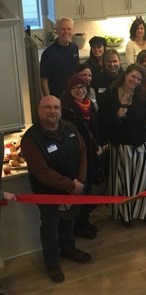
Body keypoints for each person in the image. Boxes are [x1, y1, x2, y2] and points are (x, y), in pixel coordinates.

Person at [21, 96, 91, 283]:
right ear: (39, 110)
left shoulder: (70, 128)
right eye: (47, 107)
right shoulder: (31, 139)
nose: (52, 111)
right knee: (50, 229)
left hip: (75, 189)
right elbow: (42, 172)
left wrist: (80, 182)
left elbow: (83, 152)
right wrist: (71, 186)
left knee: (69, 222)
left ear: (61, 110)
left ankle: (68, 250)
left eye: (56, 107)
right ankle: (52, 263)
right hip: (48, 194)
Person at [99, 64, 146, 228]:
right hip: (120, 146)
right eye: (133, 77)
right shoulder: (109, 94)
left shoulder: (142, 95)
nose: (135, 81)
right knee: (123, 182)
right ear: (125, 74)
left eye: (139, 79)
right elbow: (103, 123)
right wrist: (116, 116)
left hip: (139, 144)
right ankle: (126, 213)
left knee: (143, 181)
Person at [60, 75, 104, 240]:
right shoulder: (66, 109)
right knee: (80, 190)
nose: (80, 90)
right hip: (78, 156)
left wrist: (98, 145)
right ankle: (79, 226)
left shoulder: (89, 105)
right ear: (69, 90)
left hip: (92, 152)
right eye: (75, 88)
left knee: (88, 188)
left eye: (83, 87)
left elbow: (95, 128)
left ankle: (84, 222)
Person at [40, 16, 79, 97]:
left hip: (73, 94)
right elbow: (44, 82)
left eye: (69, 29)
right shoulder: (48, 53)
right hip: (57, 96)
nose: (66, 32)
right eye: (63, 29)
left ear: (73, 30)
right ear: (57, 31)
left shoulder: (74, 48)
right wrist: (49, 101)